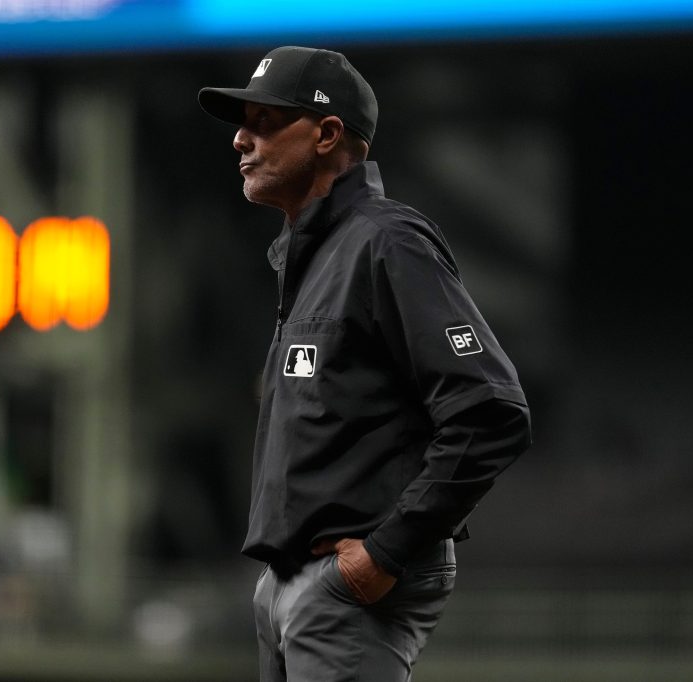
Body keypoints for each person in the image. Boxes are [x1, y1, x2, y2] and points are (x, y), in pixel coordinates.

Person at [198, 46, 532, 682]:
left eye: (266, 121)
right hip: (292, 582)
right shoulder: (316, 254)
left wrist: (385, 552)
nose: (241, 138)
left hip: (347, 585)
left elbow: (493, 411)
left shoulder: (386, 242)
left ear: (326, 134)